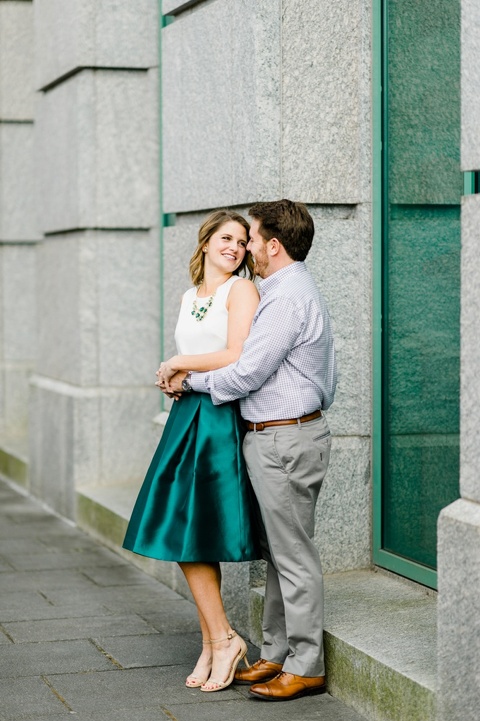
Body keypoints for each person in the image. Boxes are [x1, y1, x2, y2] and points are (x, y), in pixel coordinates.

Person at [161, 199, 337, 702]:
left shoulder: (286, 297)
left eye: (252, 239)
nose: (247, 249)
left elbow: (245, 372)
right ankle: (276, 654)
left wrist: (185, 376)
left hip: (285, 436)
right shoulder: (285, 291)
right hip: (278, 434)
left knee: (293, 556)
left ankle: (305, 665)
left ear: (272, 245)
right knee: (281, 554)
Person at [123, 209, 261, 693]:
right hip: (187, 417)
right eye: (226, 238)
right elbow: (204, 352)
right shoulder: (190, 296)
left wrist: (178, 362)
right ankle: (214, 643)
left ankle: (223, 640)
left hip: (218, 418)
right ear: (205, 243)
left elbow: (238, 352)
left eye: (243, 242)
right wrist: (177, 374)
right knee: (186, 529)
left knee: (195, 528)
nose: (235, 247)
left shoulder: (240, 290)